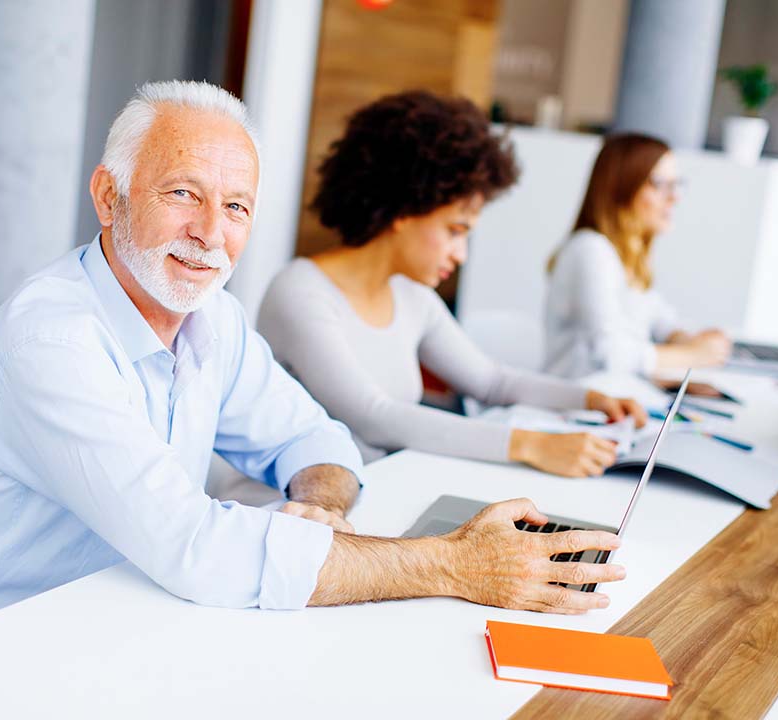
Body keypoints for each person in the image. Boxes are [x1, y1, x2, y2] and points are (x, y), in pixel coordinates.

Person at [0, 82, 624, 649]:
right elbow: (192, 547)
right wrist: (453, 565)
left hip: (117, 626)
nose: (211, 233)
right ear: (110, 198)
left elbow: (318, 440)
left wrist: (321, 512)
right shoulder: (52, 340)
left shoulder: (215, 318)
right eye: (183, 193)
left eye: (236, 207)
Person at [258, 91, 645, 477]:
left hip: (379, 487)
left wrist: (590, 399)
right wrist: (528, 444)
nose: (461, 254)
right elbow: (374, 417)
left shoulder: (411, 295)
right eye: (454, 231)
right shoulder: (300, 292)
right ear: (404, 209)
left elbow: (492, 382)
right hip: (288, 505)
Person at [543, 133, 732, 379]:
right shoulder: (590, 250)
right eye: (659, 184)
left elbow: (658, 318)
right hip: (576, 405)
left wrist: (688, 340)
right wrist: (694, 355)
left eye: (676, 185)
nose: (674, 197)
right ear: (622, 186)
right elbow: (610, 354)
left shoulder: (627, 254)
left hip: (615, 398)